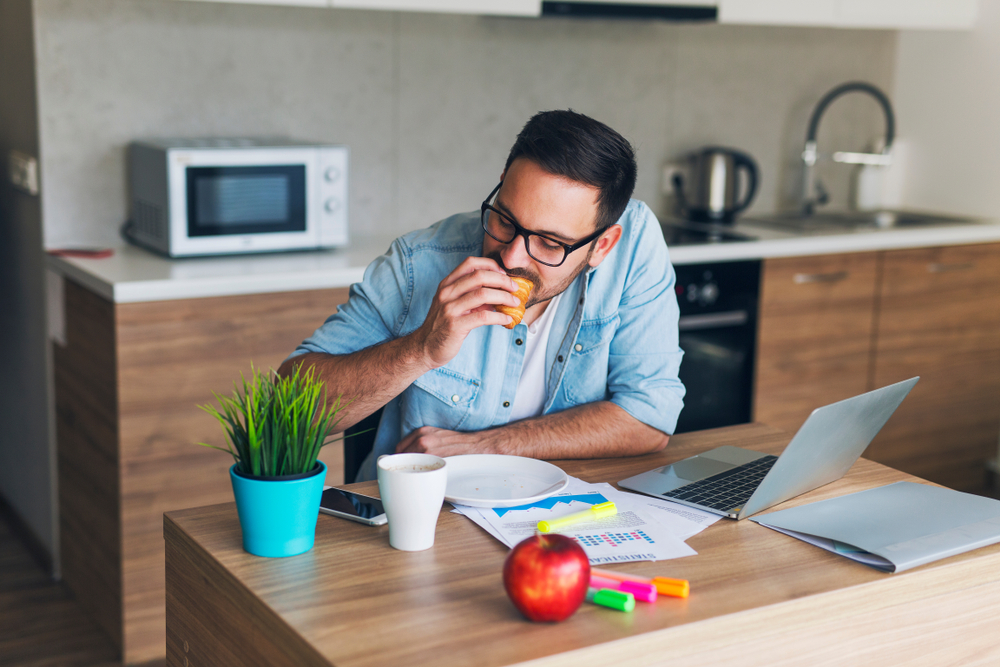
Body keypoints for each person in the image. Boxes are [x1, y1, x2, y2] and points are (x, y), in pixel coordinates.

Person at [280, 110, 684, 481]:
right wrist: (421, 348)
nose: (511, 256)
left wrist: (491, 447)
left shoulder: (633, 245)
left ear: (602, 246)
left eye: (548, 243)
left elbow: (650, 417)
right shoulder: (417, 262)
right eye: (505, 219)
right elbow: (286, 407)